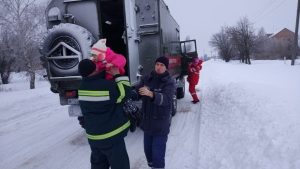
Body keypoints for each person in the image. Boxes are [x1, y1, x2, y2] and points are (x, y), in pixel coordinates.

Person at [77, 59, 131, 169]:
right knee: (120, 165)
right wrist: (118, 75)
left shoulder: (81, 87)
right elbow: (126, 93)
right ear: (95, 69)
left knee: (99, 165)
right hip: (111, 137)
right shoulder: (106, 86)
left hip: (94, 138)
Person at [131, 56, 175, 169]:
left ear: (166, 68)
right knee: (148, 153)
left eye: (162, 65)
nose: (158, 67)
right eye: (157, 64)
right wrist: (128, 94)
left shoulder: (169, 82)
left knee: (158, 155)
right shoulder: (147, 78)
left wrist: (151, 94)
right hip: (147, 124)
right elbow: (137, 92)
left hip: (160, 125)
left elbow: (167, 98)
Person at [90, 39, 142, 132]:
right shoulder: (96, 62)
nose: (94, 57)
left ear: (101, 54)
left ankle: (137, 114)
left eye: (95, 55)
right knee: (120, 104)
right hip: (108, 84)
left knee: (126, 100)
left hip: (118, 81)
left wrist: (113, 64)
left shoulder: (111, 56)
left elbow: (122, 59)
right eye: (93, 55)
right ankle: (131, 118)